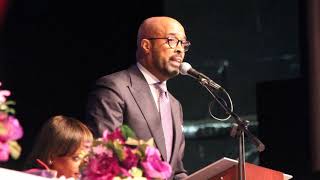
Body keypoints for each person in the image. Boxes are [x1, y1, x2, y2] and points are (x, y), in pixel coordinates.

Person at [85, 16, 190, 179]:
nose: (179, 49)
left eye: (183, 43)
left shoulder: (175, 106)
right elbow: (105, 155)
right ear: (147, 46)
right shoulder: (115, 88)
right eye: (171, 40)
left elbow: (175, 170)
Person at [24, 115, 93, 179]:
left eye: (87, 159)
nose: (85, 165)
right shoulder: (32, 177)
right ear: (51, 157)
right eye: (77, 158)